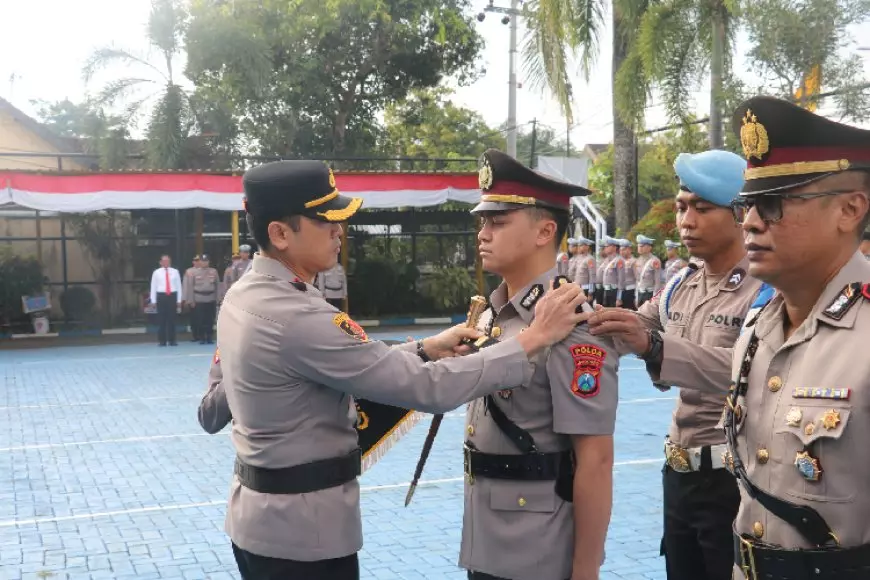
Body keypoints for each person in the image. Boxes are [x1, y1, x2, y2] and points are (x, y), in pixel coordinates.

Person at [218, 159, 588, 580]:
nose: (340, 230)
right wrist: (530, 341)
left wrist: (426, 348)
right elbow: (428, 390)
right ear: (280, 233)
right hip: (302, 536)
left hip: (255, 518)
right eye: (326, 221)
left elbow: (213, 408)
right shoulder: (298, 315)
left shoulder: (243, 297)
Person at [585, 148, 763, 580]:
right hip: (680, 474)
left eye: (703, 208)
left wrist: (654, 346)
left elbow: (748, 368)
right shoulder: (682, 283)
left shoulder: (766, 288)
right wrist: (576, 321)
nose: (687, 219)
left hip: (734, 480)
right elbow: (634, 327)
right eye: (683, 207)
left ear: (740, 214)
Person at [724, 96, 870, 579]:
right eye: (746, 205)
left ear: (850, 209)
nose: (749, 221)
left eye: (774, 204)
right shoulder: (756, 327)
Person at [459, 149, 619, 580]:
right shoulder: (496, 314)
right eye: (482, 222)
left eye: (498, 222)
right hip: (488, 533)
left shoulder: (573, 324)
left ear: (545, 231)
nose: (483, 234)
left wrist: (585, 572)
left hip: (538, 546)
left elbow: (596, 460)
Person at [185, 254, 220, 344]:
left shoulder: (213, 271)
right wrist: (191, 300)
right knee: (200, 319)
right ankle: (202, 337)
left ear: (208, 262)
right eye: (203, 261)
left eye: (206, 261)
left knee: (210, 319)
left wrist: (218, 298)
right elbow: (190, 287)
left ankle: (209, 337)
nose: (205, 263)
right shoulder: (193, 272)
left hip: (211, 298)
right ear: (199, 262)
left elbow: (217, 286)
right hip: (198, 298)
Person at [149, 255, 183, 347]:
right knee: (161, 319)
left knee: (172, 319)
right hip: (161, 296)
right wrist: (153, 300)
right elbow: (153, 286)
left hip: (172, 295)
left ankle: (172, 340)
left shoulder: (175, 272)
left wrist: (179, 300)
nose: (166, 263)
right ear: (160, 262)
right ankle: (162, 341)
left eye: (168, 261)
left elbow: (179, 286)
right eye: (164, 261)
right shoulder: (156, 272)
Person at [634, 235, 662, 307]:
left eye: (642, 246)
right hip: (640, 293)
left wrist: (655, 298)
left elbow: (657, 282)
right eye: (639, 246)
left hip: (649, 294)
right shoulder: (637, 260)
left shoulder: (655, 261)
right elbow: (637, 280)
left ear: (649, 247)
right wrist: (636, 296)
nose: (639, 248)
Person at [600, 236, 626, 307]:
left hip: (614, 291)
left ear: (614, 247)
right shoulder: (607, 260)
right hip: (606, 291)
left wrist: (619, 298)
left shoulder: (619, 260)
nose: (605, 247)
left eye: (607, 246)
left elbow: (621, 280)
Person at [184, 256, 202, 341]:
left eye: (199, 260)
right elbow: (185, 286)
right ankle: (195, 336)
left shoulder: (206, 270)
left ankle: (203, 335)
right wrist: (186, 299)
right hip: (193, 299)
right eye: (196, 260)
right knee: (194, 319)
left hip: (204, 298)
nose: (197, 262)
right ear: (193, 262)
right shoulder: (189, 271)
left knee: (203, 318)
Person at [619, 238, 638, 310]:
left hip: (630, 291)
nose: (621, 252)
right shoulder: (620, 262)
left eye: (623, 250)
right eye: (620, 250)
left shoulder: (634, 261)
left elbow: (637, 279)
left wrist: (636, 295)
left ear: (629, 249)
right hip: (621, 292)